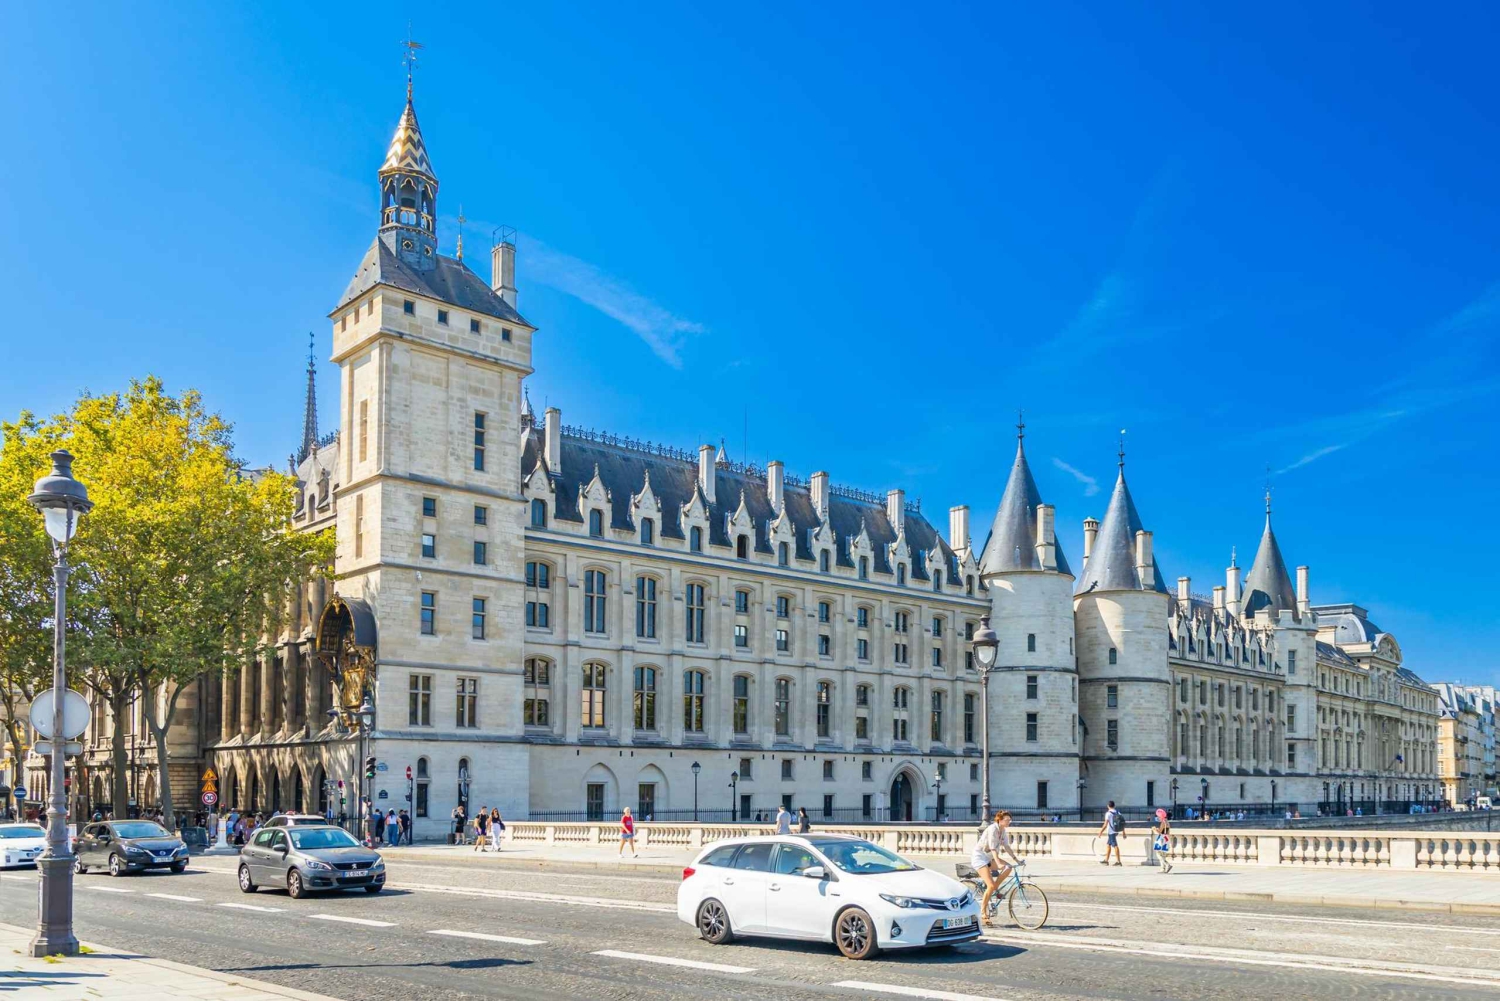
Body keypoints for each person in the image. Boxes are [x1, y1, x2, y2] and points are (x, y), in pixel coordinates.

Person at [971, 810, 1020, 927]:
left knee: (1008, 867)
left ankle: (995, 889)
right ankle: (983, 914)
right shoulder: (993, 829)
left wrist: (1016, 860)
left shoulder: (1003, 830)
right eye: (1007, 820)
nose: (1009, 822)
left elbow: (1006, 846)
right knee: (990, 885)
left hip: (989, 858)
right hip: (980, 858)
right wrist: (998, 862)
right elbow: (993, 848)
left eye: (1009, 820)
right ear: (1000, 820)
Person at [1097, 800, 1125, 866]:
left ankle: (1118, 861)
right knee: (1108, 845)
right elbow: (1122, 823)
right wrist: (1124, 832)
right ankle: (1106, 860)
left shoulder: (1108, 813)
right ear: (1114, 806)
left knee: (1115, 846)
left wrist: (1100, 832)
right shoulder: (1118, 812)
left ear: (1108, 806)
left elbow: (1105, 824)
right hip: (1116, 831)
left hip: (1111, 832)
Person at [1152, 808, 1173, 874]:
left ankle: (1167, 864)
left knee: (1158, 853)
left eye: (1158, 816)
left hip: (1162, 839)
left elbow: (1160, 831)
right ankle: (1163, 869)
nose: (1158, 817)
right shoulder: (1167, 822)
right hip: (1166, 839)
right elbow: (1167, 831)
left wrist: (1154, 829)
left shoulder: (1163, 822)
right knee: (1163, 854)